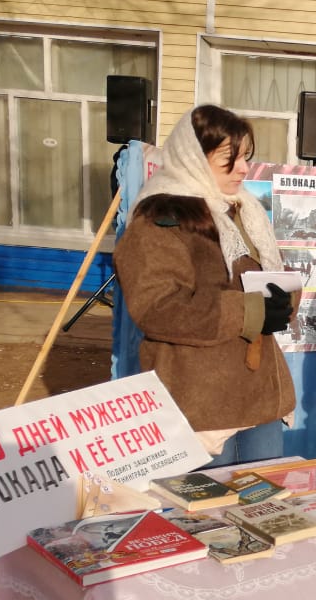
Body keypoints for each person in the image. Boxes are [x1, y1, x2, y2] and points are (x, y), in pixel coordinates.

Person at [114, 105, 297, 468]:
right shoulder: (159, 218)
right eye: (229, 158)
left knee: (265, 502)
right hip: (203, 401)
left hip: (259, 393)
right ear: (194, 157)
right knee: (210, 516)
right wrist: (250, 310)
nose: (244, 169)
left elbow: (258, 278)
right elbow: (158, 307)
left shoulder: (242, 211)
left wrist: (284, 297)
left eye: (245, 157)